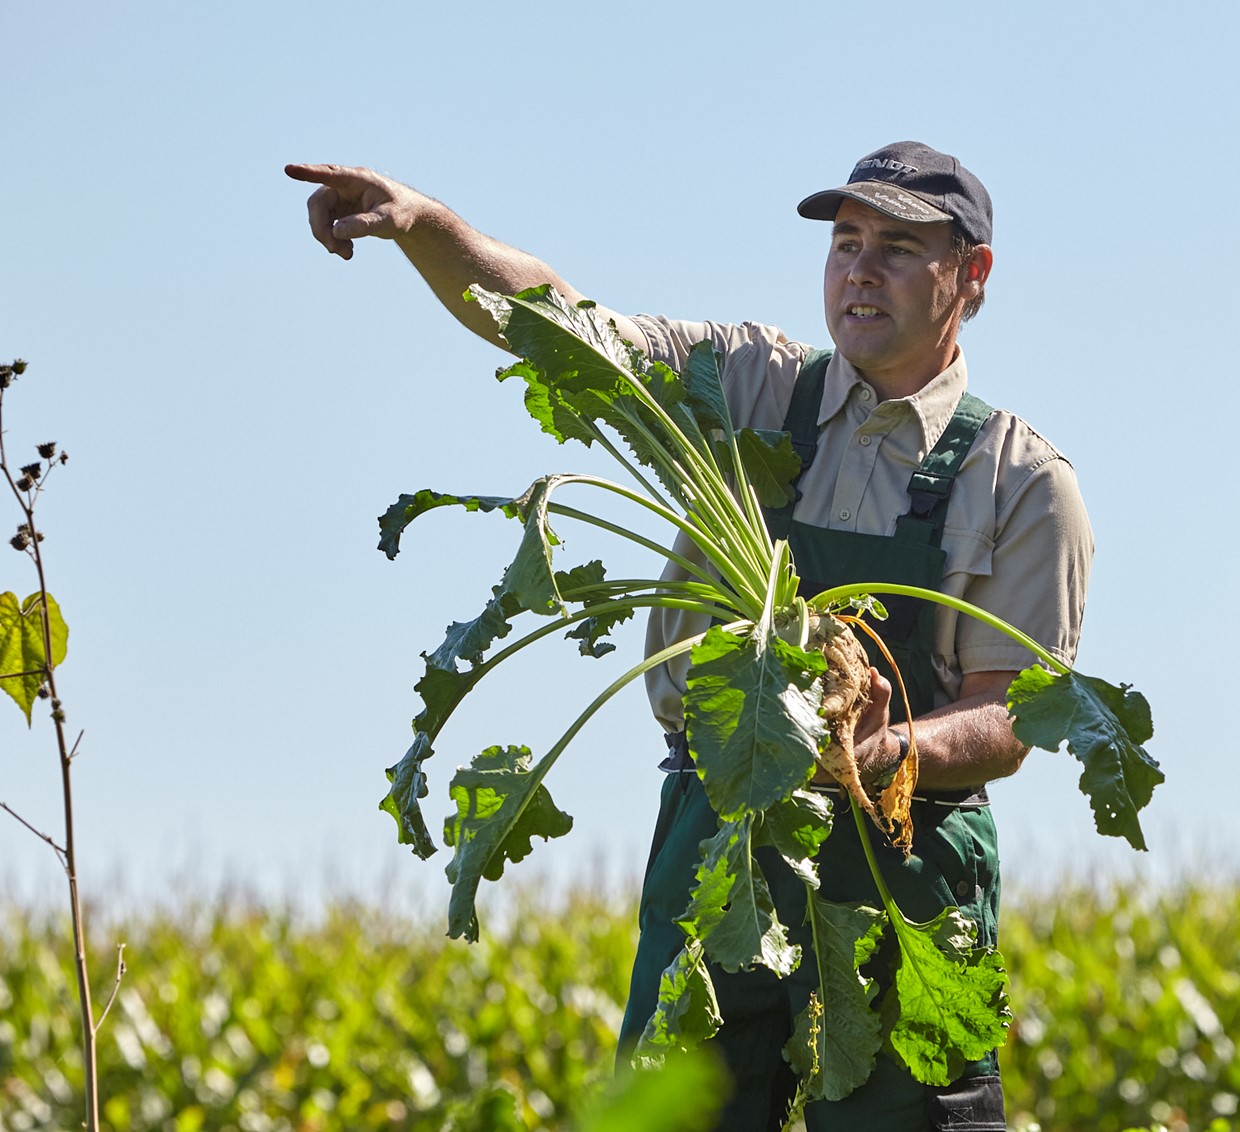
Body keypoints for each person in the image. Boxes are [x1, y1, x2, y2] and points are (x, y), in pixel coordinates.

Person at [287, 141, 1092, 1130]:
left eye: (896, 247)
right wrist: (426, 228)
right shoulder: (749, 385)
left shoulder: (1019, 478)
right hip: (717, 836)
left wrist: (883, 750)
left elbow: (1010, 713)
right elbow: (563, 328)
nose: (858, 269)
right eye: (845, 242)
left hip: (898, 853)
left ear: (970, 276)